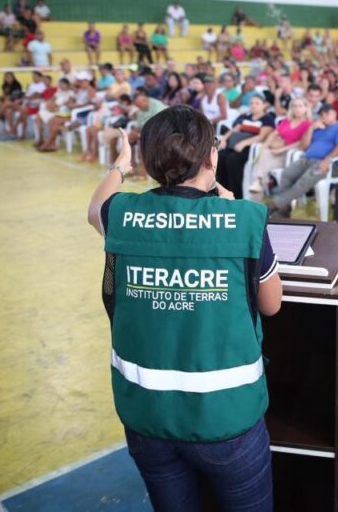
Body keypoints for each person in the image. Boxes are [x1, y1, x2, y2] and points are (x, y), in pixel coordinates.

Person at [86, 106, 281, 511]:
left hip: (147, 417)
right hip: (227, 419)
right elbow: (272, 304)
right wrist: (228, 203)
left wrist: (121, 165)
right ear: (211, 156)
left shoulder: (123, 214)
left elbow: (95, 209)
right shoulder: (244, 219)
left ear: (151, 161)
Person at [269, 105, 338, 219]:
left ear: (334, 114)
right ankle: (284, 210)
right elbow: (303, 147)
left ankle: (273, 205)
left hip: (327, 164)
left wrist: (328, 160)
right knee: (286, 174)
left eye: (327, 114)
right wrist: (311, 128)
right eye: (322, 114)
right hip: (307, 160)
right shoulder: (318, 129)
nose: (324, 116)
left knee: (304, 181)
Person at [248, 98, 312, 200]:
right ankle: (259, 183)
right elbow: (274, 133)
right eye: (294, 106)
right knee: (264, 153)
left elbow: (301, 143)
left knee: (264, 163)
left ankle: (258, 187)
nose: (297, 109)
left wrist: (282, 149)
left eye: (300, 106)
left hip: (291, 154)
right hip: (277, 151)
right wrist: (265, 145)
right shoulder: (287, 121)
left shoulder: (308, 124)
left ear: (306, 108)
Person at [216, 94, 276, 199]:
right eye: (251, 103)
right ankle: (221, 190)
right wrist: (224, 139)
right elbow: (234, 129)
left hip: (250, 148)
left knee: (232, 160)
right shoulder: (245, 117)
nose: (253, 105)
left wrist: (244, 143)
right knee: (220, 156)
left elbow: (261, 137)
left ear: (264, 105)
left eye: (257, 103)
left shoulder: (267, 119)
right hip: (234, 145)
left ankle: (235, 193)